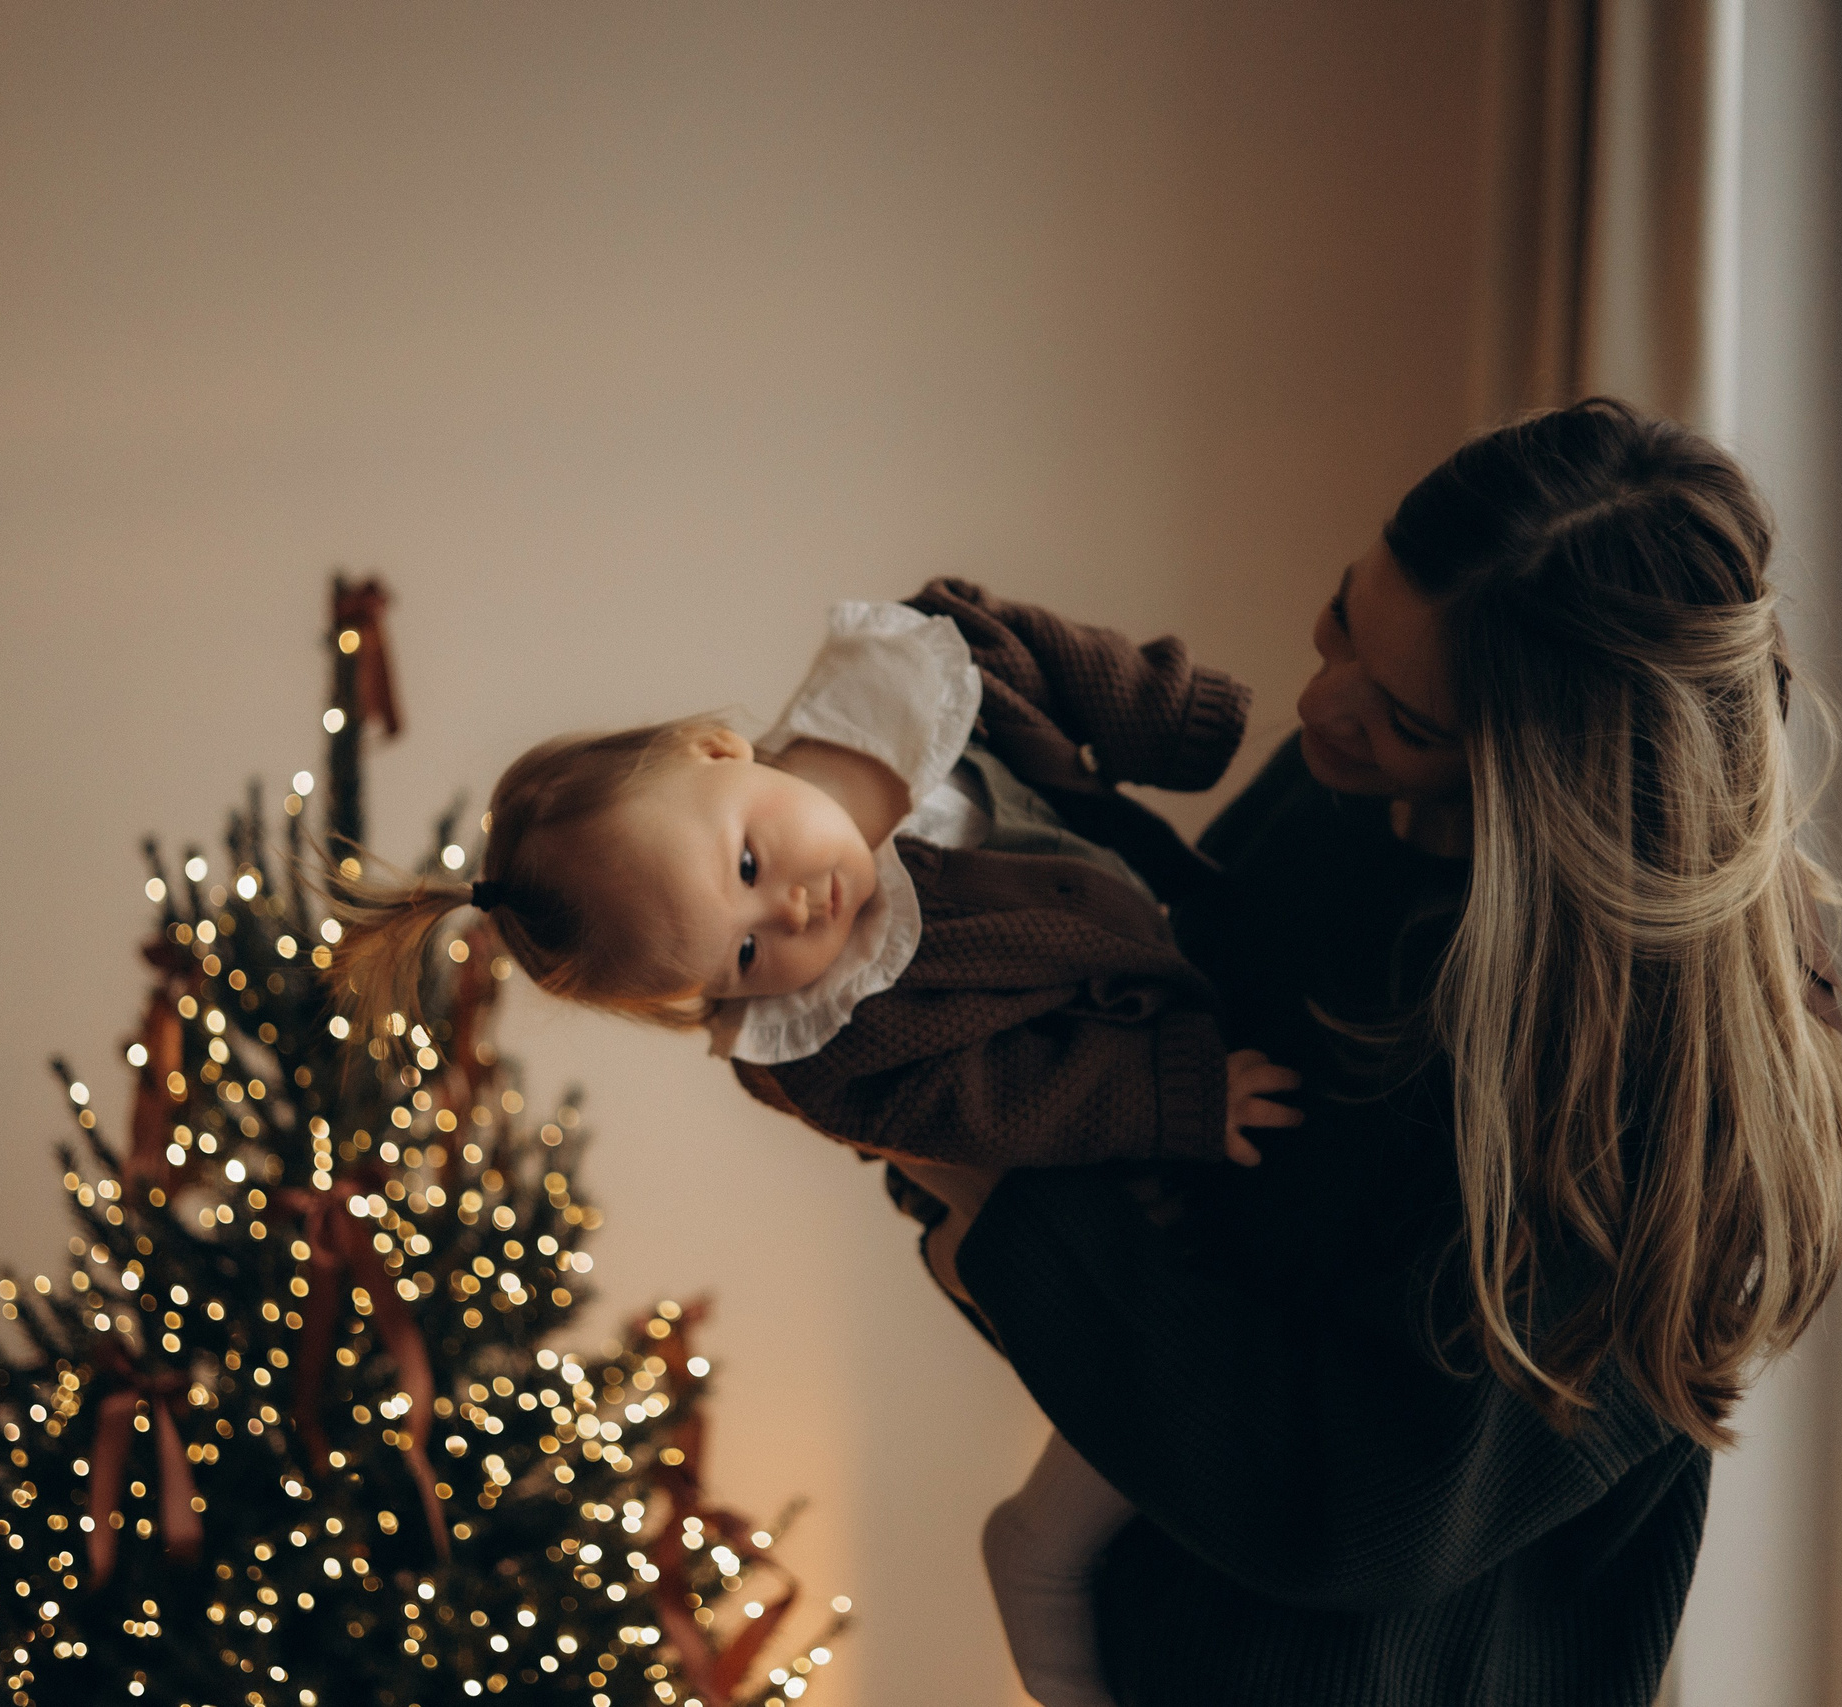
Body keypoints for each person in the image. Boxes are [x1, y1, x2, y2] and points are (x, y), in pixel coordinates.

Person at [913, 397, 1842, 1706]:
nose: (1317, 702)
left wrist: (998, 1197)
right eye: (1341, 617)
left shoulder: (1649, 1091)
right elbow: (1187, 1237)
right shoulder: (1346, 798)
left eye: (1410, 717)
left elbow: (1352, 1508)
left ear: (1562, 776)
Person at [328, 581, 1301, 1707]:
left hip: (1185, 956)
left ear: (718, 749)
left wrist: (1169, 719)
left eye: (746, 865)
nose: (787, 917)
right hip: (1113, 1173)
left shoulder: (908, 678)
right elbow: (995, 1101)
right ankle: (1048, 1582)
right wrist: (1174, 1096)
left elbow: (1034, 656)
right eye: (738, 958)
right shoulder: (832, 1046)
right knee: (1142, 1445)